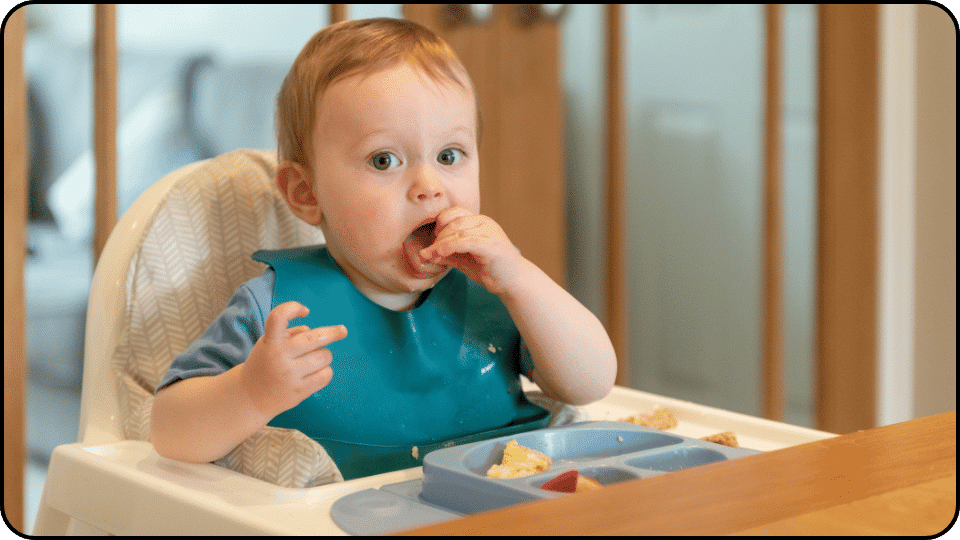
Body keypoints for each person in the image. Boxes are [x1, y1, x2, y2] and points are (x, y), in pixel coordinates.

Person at [151, 17, 617, 480]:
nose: (429, 185)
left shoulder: (498, 290)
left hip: (502, 506)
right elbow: (169, 433)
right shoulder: (279, 312)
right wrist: (251, 392)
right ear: (306, 193)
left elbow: (591, 383)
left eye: (449, 156)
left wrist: (521, 278)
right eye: (384, 160)